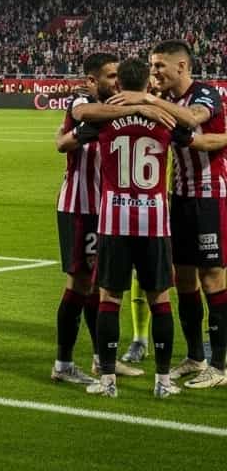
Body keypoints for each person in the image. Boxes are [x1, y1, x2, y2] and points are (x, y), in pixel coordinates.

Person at [74, 57, 224, 399]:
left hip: (114, 219)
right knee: (159, 297)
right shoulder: (166, 119)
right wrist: (149, 109)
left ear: (118, 83)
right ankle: (163, 382)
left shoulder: (103, 117)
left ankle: (108, 380)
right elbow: (195, 138)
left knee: (110, 296)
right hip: (155, 220)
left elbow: (77, 129)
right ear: (147, 83)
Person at [111, 39, 227, 388]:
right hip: (180, 197)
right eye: (151, 65)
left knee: (212, 277)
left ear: (182, 66)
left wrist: (147, 99)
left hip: (210, 195)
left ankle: (219, 366)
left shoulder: (205, 95)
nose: (154, 71)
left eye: (159, 65)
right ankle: (195, 356)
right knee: (185, 279)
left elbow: (195, 123)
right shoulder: (170, 101)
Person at [51, 53, 165, 386]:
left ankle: (103, 361)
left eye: (118, 75)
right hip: (80, 207)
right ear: (91, 80)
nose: (116, 81)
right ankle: (63, 363)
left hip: (106, 211)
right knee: (80, 284)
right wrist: (136, 107)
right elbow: (65, 139)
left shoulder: (112, 108)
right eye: (110, 75)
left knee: (99, 285)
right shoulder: (83, 102)